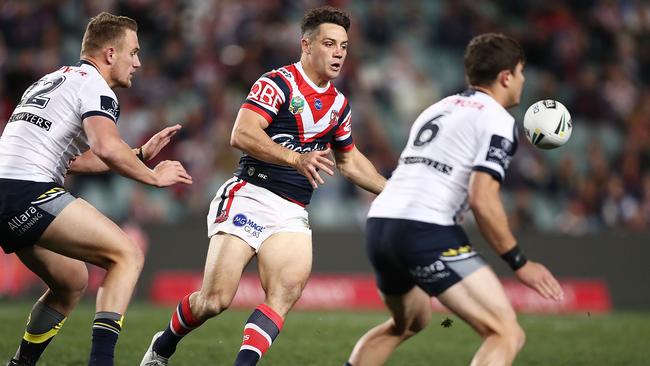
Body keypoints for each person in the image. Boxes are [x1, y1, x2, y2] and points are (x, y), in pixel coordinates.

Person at [140, 6, 386, 366]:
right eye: (330, 44)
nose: (338, 53)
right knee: (215, 300)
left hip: (291, 211)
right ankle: (163, 345)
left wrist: (391, 189)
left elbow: (349, 159)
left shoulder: (339, 106)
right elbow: (241, 134)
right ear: (306, 45)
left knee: (285, 292)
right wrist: (295, 158)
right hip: (250, 195)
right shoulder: (277, 84)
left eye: (344, 46)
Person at [344, 33, 565, 366]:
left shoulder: (438, 108)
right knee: (506, 333)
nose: (522, 80)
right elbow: (482, 198)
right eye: (520, 72)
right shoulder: (498, 120)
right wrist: (520, 262)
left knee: (408, 323)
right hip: (425, 230)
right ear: (506, 76)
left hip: (380, 225)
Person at [0, 12, 192, 366]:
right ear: (109, 54)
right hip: (25, 190)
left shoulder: (54, 79)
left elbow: (72, 160)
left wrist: (136, 154)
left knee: (71, 281)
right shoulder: (95, 86)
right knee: (126, 255)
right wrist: (152, 176)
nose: (138, 62)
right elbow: (104, 147)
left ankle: (20, 364)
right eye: (132, 53)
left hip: (9, 190)